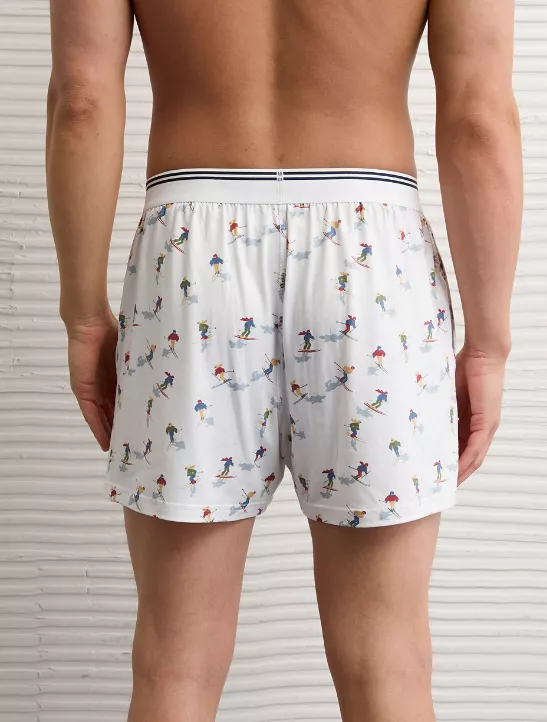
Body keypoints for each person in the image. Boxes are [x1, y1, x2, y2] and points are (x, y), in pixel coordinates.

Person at [46, 1, 522, 721]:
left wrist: (83, 314)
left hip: (192, 255)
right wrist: (487, 341)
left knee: (175, 666)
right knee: (387, 662)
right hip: (372, 255)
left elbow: (81, 101)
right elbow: (478, 122)